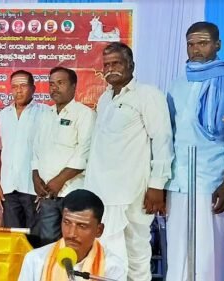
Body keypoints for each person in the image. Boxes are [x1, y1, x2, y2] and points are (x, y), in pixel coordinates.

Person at [164, 22, 224, 281]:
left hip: (211, 179)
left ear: (217, 45)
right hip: (177, 181)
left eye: (202, 43)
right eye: (191, 44)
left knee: (209, 249)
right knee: (177, 249)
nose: (196, 49)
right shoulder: (178, 83)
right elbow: (169, 134)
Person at [85, 42, 173, 281]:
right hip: (102, 191)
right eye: (107, 65)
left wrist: (157, 186)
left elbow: (162, 139)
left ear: (131, 65)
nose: (111, 69)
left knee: (136, 253)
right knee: (106, 255)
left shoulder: (148, 95)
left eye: (117, 63)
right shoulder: (104, 99)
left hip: (133, 190)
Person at [31, 67, 95, 247]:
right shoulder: (45, 115)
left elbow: (84, 153)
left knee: (73, 242)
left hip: (72, 192)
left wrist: (59, 181)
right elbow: (36, 150)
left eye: (60, 83)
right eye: (51, 84)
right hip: (47, 194)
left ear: (74, 86)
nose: (54, 88)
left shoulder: (84, 114)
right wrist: (35, 177)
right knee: (47, 243)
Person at [18, 189, 125, 281]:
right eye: (67, 222)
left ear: (99, 230)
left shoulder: (112, 267)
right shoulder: (36, 259)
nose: (72, 233)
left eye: (82, 226)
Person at [0, 70, 46, 229]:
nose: (18, 90)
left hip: (34, 189)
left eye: (23, 86)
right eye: (15, 86)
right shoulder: (3, 115)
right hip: (9, 189)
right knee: (15, 237)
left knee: (34, 240)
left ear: (33, 89)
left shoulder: (45, 113)